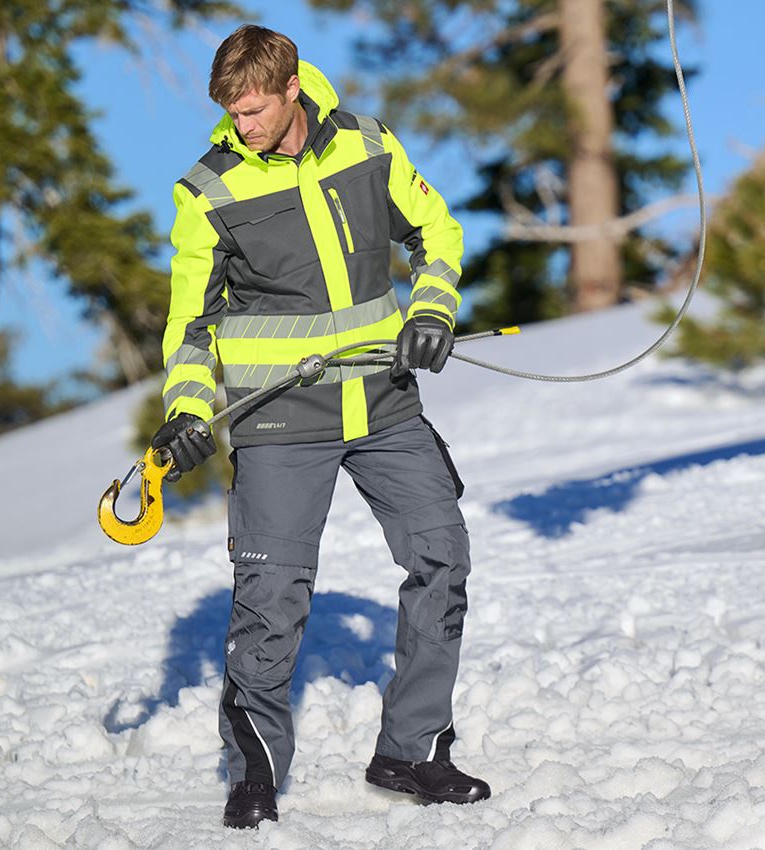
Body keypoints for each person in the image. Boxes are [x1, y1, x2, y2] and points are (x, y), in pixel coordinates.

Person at [152, 24, 491, 829]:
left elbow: (437, 232)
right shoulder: (208, 190)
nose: (242, 126)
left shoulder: (369, 145)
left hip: (384, 404)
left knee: (442, 556)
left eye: (255, 110)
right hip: (280, 422)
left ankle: (413, 751)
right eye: (232, 113)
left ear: (292, 88)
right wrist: (188, 410)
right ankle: (256, 773)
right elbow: (191, 325)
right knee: (270, 597)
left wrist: (433, 311)